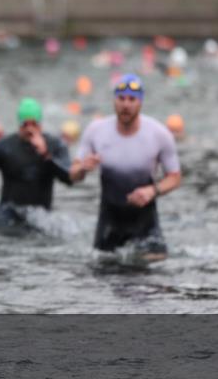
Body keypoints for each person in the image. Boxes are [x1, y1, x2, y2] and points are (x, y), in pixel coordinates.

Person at [70, 74, 181, 262]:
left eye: (132, 99)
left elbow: (175, 177)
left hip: (145, 221)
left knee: (156, 267)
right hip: (109, 221)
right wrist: (82, 168)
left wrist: (152, 191)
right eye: (121, 98)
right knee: (103, 269)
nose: (126, 105)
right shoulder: (96, 131)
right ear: (114, 100)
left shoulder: (159, 134)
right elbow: (73, 175)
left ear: (140, 102)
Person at [0, 98, 72, 236]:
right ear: (19, 124)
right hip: (8, 214)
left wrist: (45, 154)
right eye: (25, 124)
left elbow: (69, 179)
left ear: (40, 124)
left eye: (34, 124)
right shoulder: (4, 146)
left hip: (40, 217)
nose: (29, 129)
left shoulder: (55, 145)